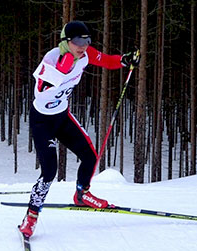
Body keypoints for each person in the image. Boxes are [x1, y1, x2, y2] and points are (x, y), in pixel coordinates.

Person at [19, 21, 140, 237]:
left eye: (86, 40)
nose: (82, 45)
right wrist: (60, 71)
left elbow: (106, 61)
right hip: (42, 121)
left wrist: (124, 60)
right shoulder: (52, 57)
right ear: (66, 41)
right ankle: (31, 217)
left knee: (90, 155)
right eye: (77, 41)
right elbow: (40, 88)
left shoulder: (85, 55)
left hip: (63, 116)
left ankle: (82, 194)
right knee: (49, 172)